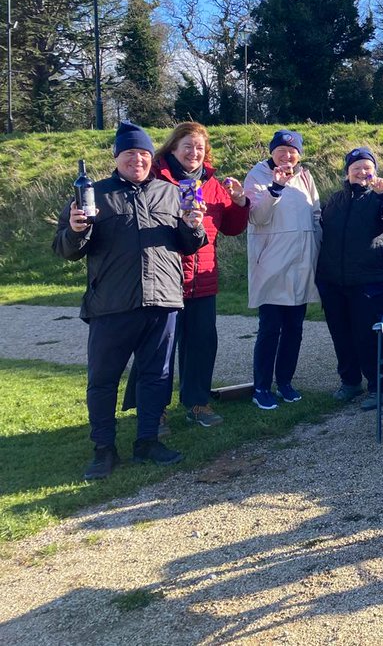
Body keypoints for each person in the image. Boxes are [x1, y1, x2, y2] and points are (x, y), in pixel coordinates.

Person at [53, 121, 207, 480]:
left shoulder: (171, 193)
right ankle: (104, 449)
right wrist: (77, 230)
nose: (136, 160)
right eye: (129, 153)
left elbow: (191, 244)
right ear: (117, 157)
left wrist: (193, 225)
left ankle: (148, 442)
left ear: (151, 158)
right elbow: (65, 248)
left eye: (142, 153)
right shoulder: (93, 195)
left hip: (163, 301)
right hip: (111, 304)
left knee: (157, 376)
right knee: (103, 380)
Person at [139, 122, 250, 429]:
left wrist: (240, 203)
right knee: (159, 348)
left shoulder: (212, 183)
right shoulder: (154, 177)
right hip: (162, 278)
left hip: (202, 277)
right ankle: (155, 409)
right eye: (187, 146)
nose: (194, 152)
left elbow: (231, 227)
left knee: (202, 342)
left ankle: (197, 402)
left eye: (200, 147)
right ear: (173, 147)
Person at [317, 148, 383, 411]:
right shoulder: (335, 200)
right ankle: (349, 381)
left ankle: (378, 387)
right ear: (347, 172)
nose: (361, 172)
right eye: (356, 167)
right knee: (341, 334)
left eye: (367, 167)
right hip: (334, 280)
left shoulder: (381, 197)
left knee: (369, 337)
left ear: (375, 171)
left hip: (369, 281)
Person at [245, 129, 321, 410]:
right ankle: (261, 386)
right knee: (270, 328)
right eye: (281, 150)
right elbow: (257, 216)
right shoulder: (257, 175)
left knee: (294, 328)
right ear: (272, 152)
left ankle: (285, 382)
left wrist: (318, 250)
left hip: (301, 262)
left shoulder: (305, 176)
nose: (287, 156)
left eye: (292, 151)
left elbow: (315, 213)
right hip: (272, 264)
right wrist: (275, 188)